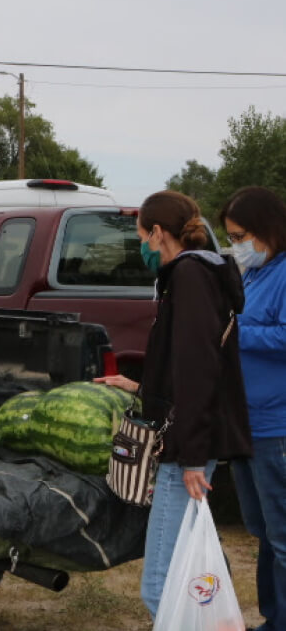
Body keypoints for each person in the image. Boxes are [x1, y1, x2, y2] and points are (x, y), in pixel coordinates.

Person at [94, 190, 251, 620]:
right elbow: (184, 362)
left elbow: (199, 368)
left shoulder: (188, 277)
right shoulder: (195, 274)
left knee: (161, 584)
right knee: (189, 576)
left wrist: (195, 457)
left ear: (159, 233)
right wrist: (142, 384)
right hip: (189, 443)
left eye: (142, 235)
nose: (141, 245)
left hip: (185, 452)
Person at [220, 186, 286, 631]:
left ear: (268, 230)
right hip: (245, 423)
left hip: (276, 426)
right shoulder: (255, 274)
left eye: (241, 236)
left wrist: (236, 330)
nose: (236, 246)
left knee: (282, 538)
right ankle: (271, 619)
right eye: (231, 237)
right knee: (263, 534)